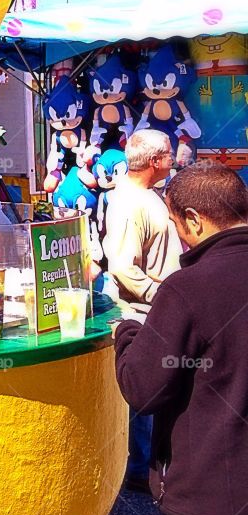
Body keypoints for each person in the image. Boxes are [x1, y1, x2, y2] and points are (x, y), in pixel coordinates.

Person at [114, 161, 248, 515]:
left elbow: (143, 389)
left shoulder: (189, 286)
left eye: (175, 224)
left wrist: (127, 336)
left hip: (206, 504)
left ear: (192, 219)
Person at [102, 128, 181, 492]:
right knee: (144, 392)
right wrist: (159, 294)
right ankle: (140, 470)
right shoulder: (130, 203)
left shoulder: (145, 195)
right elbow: (121, 266)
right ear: (155, 161)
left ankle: (148, 463)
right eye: (169, 154)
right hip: (142, 312)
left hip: (155, 308)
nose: (174, 158)